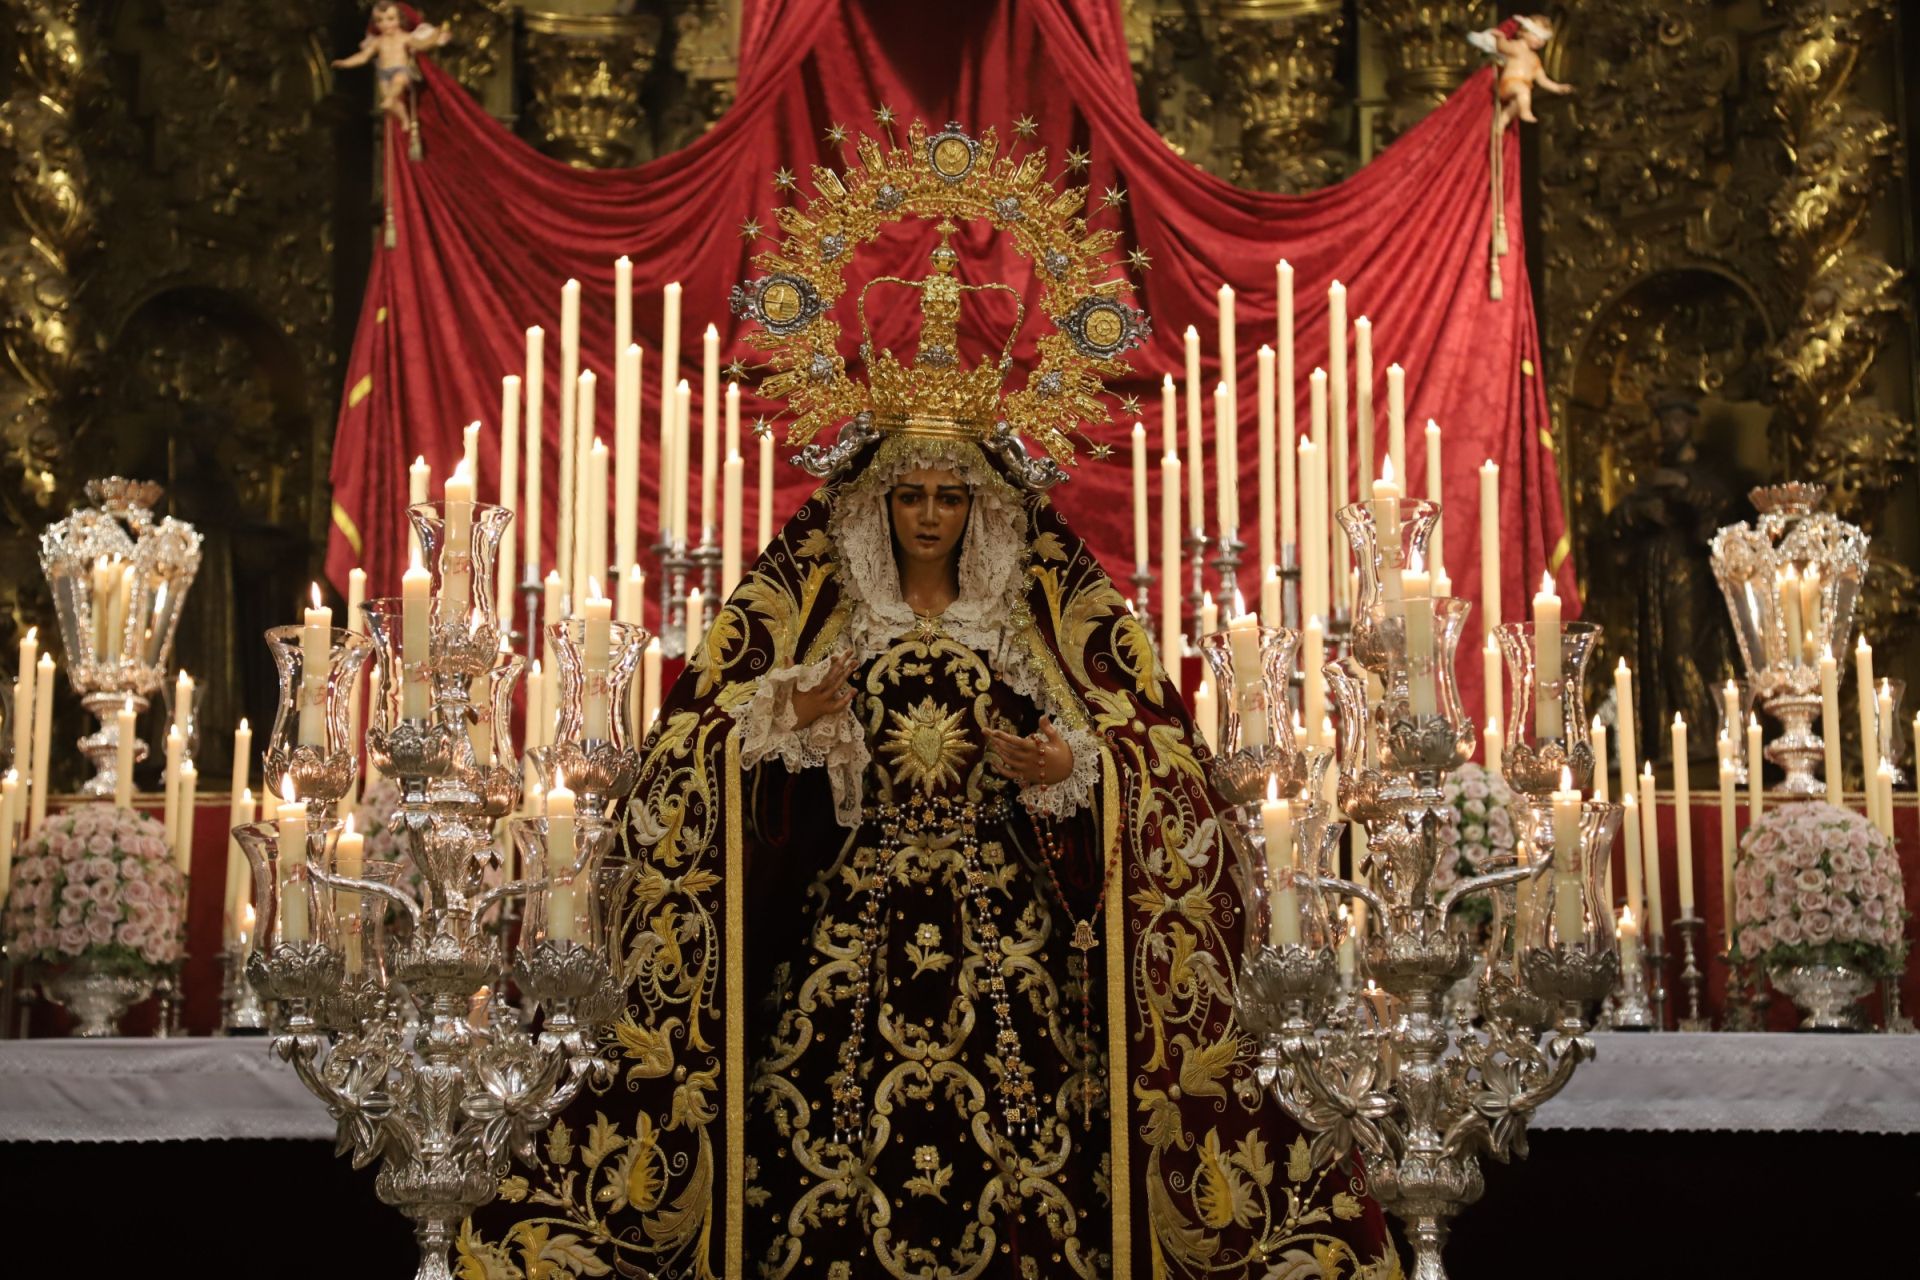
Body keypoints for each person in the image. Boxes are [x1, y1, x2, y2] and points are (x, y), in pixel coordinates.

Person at [461, 132, 1391, 1280]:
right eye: (913, 492)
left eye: (955, 492)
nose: (935, 514)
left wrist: (1067, 773)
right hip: (845, 940)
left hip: (1015, 939)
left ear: (985, 504)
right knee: (823, 1158)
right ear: (877, 500)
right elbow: (695, 751)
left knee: (1032, 1169)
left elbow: (1148, 755)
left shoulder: (1036, 611)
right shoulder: (817, 605)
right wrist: (791, 724)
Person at [332, 2, 450, 139]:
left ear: (400, 19)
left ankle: (391, 100)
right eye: (380, 20)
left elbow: (422, 44)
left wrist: (435, 37)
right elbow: (363, 57)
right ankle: (404, 118)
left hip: (401, 70)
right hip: (384, 74)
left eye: (390, 19)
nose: (386, 24)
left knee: (396, 86)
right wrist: (345, 63)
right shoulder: (378, 41)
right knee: (391, 104)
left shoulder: (404, 37)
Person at [1467, 14, 1573, 129]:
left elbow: (1543, 80)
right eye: (1536, 35)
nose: (1539, 41)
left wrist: (1558, 88)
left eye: (1543, 39)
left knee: (1517, 103)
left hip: (1522, 89)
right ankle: (1525, 112)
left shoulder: (1534, 59)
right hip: (1509, 84)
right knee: (1523, 92)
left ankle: (1503, 120)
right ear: (1522, 32)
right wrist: (1500, 38)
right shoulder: (1516, 47)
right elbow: (1503, 47)